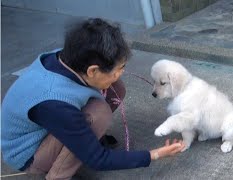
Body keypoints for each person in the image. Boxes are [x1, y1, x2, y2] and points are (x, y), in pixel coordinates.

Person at [1, 18, 185, 180]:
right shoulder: (54, 102)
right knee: (98, 114)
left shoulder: (71, 57)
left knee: (116, 88)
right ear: (93, 70)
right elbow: (99, 159)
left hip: (50, 126)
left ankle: (83, 140)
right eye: (119, 68)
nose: (122, 72)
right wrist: (154, 154)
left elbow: (104, 83)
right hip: (28, 153)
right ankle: (58, 175)